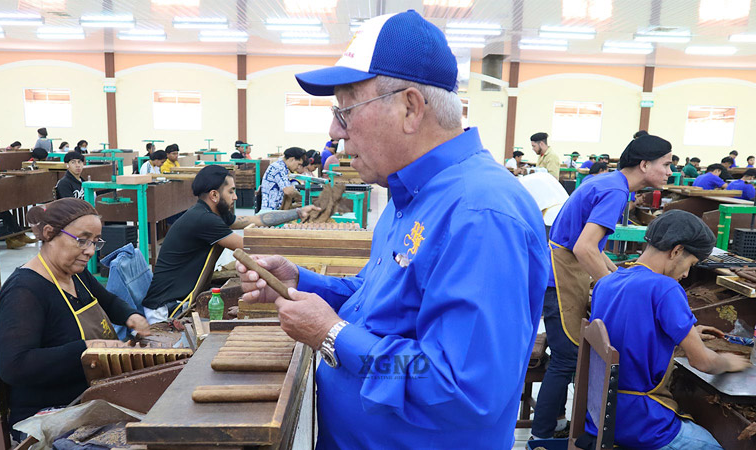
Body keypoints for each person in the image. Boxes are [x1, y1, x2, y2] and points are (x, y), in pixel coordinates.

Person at [239, 10, 550, 449]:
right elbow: (380, 303)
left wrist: (332, 335)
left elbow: (462, 388)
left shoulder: (481, 214)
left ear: (409, 107)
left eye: (345, 110)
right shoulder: (410, 196)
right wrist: (302, 283)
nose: (332, 132)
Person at [532, 134, 673, 439]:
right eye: (666, 164)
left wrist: (617, 273)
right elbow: (584, 249)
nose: (669, 171)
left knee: (567, 356)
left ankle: (554, 424)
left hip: (558, 273)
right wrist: (617, 290)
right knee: (567, 358)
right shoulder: (615, 192)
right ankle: (542, 436)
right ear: (645, 164)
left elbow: (592, 249)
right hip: (560, 278)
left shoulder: (607, 181)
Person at [588, 210, 749, 448]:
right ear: (676, 251)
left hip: (601, 413)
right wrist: (728, 362)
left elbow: (629, 331)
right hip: (641, 422)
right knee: (716, 445)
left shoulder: (607, 282)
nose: (685, 274)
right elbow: (703, 362)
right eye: (690, 264)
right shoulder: (665, 288)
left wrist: (683, 334)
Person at [0, 199, 151, 435]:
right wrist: (86, 349)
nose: (89, 250)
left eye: (95, 242)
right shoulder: (24, 291)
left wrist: (131, 316)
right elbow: (14, 366)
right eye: (82, 240)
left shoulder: (75, 274)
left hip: (87, 396)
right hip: (47, 414)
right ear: (49, 234)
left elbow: (108, 301)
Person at [142, 165, 319, 323]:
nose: (235, 197)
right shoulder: (203, 219)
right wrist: (302, 245)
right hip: (164, 310)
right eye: (231, 191)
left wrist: (298, 212)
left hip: (179, 300)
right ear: (214, 195)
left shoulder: (213, 213)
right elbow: (249, 246)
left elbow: (256, 219)